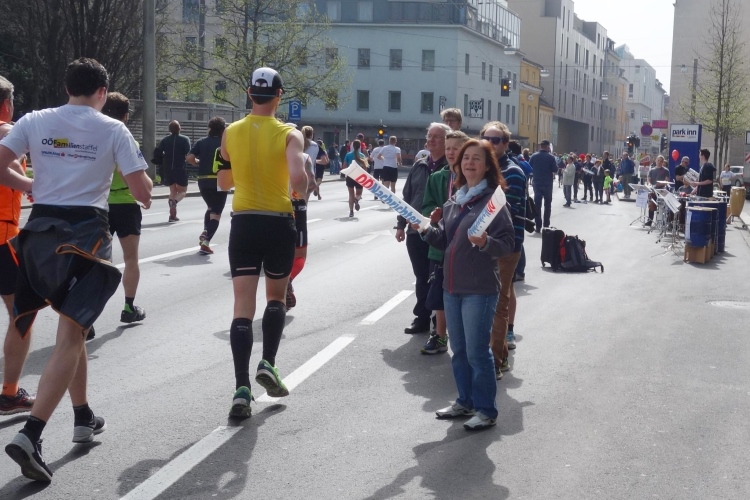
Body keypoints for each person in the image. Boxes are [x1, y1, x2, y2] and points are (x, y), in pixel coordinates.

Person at [0, 58, 152, 482]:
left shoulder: (35, 120)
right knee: (71, 335)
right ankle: (31, 434)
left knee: (58, 325)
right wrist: (143, 185)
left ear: (68, 87)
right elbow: (142, 191)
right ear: (102, 92)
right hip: (85, 238)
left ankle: (82, 415)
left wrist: (31, 185)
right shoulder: (113, 129)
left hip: (38, 236)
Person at [217, 67, 307, 419]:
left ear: (249, 93)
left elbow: (223, 182)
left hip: (243, 222)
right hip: (278, 222)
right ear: (279, 95)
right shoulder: (289, 134)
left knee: (242, 305)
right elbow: (298, 178)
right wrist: (301, 191)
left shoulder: (230, 132)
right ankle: (268, 362)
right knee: (275, 298)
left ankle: (241, 387)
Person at [418, 139, 515, 430]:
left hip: (479, 290)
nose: (470, 163)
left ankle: (486, 410)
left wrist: (486, 242)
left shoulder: (493, 202)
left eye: (476, 159)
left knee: (477, 353)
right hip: (452, 287)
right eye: (466, 158)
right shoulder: (454, 201)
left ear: (487, 167)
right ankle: (465, 401)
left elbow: (507, 243)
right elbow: (446, 242)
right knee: (458, 351)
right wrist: (427, 230)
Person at [0, 76, 35, 416]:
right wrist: (30, 184)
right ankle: (10, 393)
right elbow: (5, 164)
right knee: (21, 315)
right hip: (1, 237)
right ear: (7, 104)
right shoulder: (6, 130)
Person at [480, 122, 526, 379]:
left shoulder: (513, 172)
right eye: (486, 138)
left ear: (506, 144)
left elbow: (509, 211)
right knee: (492, 299)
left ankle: (497, 360)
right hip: (482, 243)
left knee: (497, 303)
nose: (490, 143)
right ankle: (495, 354)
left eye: (495, 140)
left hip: (505, 246)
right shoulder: (484, 168)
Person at [396, 123, 450, 334]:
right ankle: (422, 318)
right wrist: (401, 225)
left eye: (437, 136)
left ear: (446, 141)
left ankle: (439, 322)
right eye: (429, 136)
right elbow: (407, 197)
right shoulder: (419, 165)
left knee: (436, 276)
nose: (431, 140)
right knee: (421, 276)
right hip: (415, 231)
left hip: (439, 232)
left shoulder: (450, 167)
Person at [420, 130, 468, 355]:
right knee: (438, 291)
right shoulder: (438, 177)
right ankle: (440, 335)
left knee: (463, 292)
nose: (450, 152)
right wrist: (434, 214)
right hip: (439, 246)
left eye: (456, 148)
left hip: (465, 247)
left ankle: (466, 338)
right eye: (448, 148)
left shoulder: (472, 177)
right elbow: (427, 205)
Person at [101, 92, 148, 322]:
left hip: (100, 205)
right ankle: (129, 308)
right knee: (131, 259)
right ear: (126, 116)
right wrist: (146, 194)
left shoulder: (95, 140)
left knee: (95, 262)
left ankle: (86, 318)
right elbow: (134, 175)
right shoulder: (128, 140)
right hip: (127, 205)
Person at [187, 116, 228, 255]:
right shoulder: (225, 143)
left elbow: (189, 158)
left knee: (210, 207)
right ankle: (206, 237)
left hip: (203, 181)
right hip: (220, 180)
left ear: (210, 128)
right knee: (216, 213)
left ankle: (205, 238)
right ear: (223, 129)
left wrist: (198, 162)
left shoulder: (202, 141)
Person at [287, 137, 317, 310]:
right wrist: (305, 197)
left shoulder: (269, 155)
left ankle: (275, 299)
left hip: (271, 207)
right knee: (299, 255)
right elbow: (311, 183)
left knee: (276, 254)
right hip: (296, 206)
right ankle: (288, 280)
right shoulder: (304, 158)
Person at [155, 120, 190, 222]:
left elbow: (158, 151)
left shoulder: (165, 140)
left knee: (173, 191)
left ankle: (172, 216)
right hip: (180, 168)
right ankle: (174, 202)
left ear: (169, 129)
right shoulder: (185, 139)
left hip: (167, 168)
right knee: (182, 191)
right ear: (180, 128)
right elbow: (188, 153)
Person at [529, 140, 557, 232]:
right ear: (548, 146)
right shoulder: (551, 157)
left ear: (540, 146)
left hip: (537, 183)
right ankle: (546, 226)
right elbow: (555, 169)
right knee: (547, 205)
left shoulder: (534, 156)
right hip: (547, 183)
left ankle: (538, 226)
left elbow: (529, 167)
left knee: (537, 205)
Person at [343, 140, 367, 218]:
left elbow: (344, 166)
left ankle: (351, 211)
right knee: (359, 194)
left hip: (350, 176)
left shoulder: (348, 155)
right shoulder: (362, 155)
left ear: (353, 146)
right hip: (359, 176)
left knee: (351, 194)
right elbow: (365, 168)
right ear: (360, 146)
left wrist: (346, 173)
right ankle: (356, 200)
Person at [646, 155, 671, 225]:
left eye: (661, 161)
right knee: (651, 205)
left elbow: (667, 181)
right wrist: (650, 185)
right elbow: (649, 180)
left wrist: (660, 184)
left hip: (661, 191)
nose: (659, 162)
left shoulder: (666, 170)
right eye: (658, 160)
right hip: (653, 190)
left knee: (661, 207)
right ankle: (650, 221)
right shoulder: (652, 170)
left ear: (663, 162)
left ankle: (661, 222)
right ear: (656, 161)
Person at [301, 126, 321, 199]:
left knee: (296, 196)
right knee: (306, 197)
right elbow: (314, 159)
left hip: (299, 171)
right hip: (310, 172)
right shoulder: (315, 145)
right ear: (312, 134)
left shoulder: (300, 143)